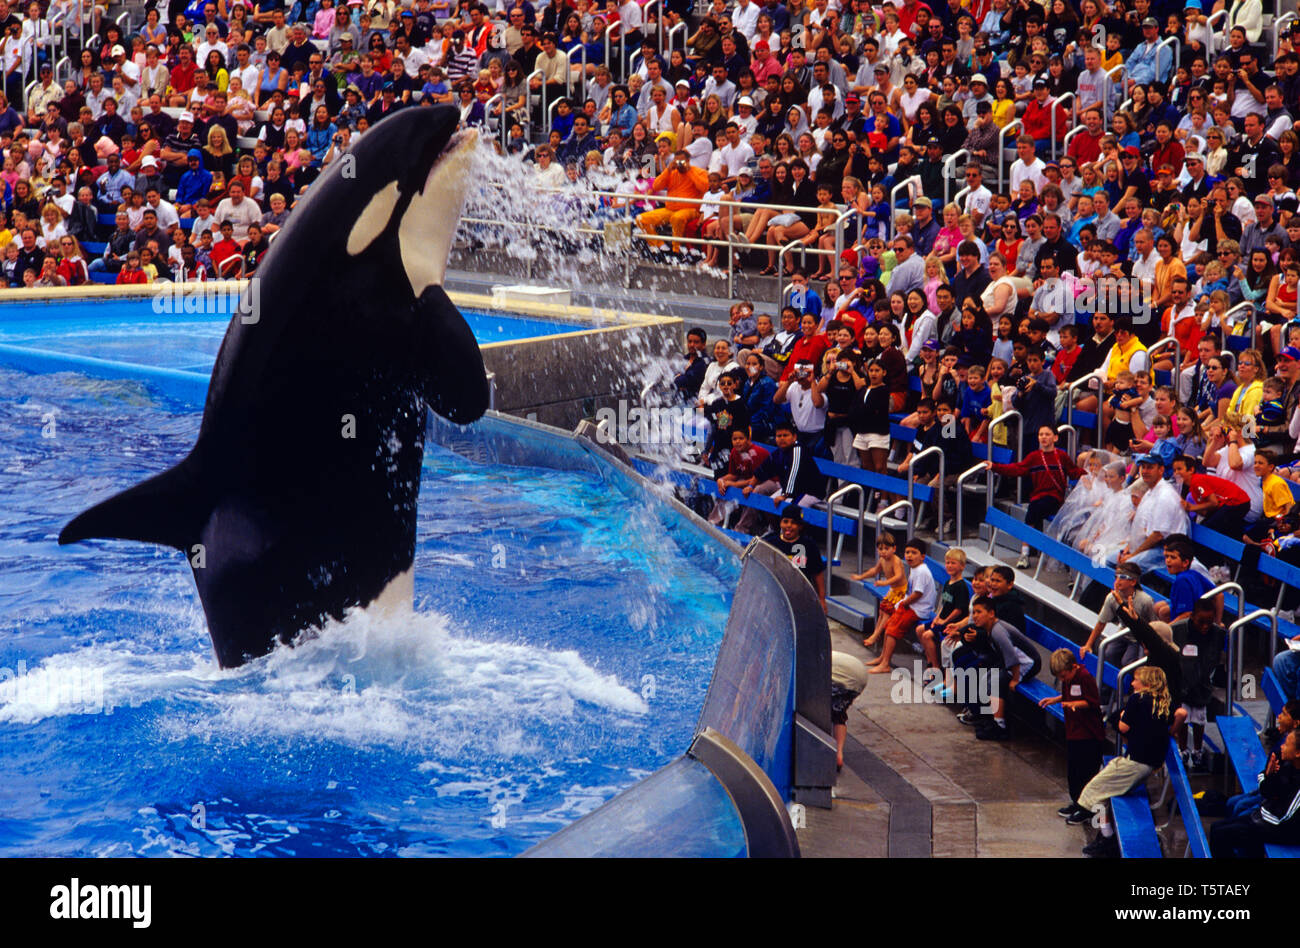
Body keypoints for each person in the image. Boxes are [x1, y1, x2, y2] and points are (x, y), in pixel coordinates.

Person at [1077, 666, 1184, 857]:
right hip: (1147, 764)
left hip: (1134, 764)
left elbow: (1123, 727)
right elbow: (1182, 714)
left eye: (1136, 680)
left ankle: (1107, 838)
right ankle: (1106, 834)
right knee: (1104, 787)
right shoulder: (1165, 700)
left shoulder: (1137, 699)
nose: (1133, 683)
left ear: (1147, 683)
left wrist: (1122, 716)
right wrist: (1171, 731)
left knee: (1092, 793)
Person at [986, 425, 1084, 568]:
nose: (1043, 437)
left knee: (1036, 509)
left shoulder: (1062, 456)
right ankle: (1025, 554)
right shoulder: (1034, 457)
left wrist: (1092, 473)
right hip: (1038, 498)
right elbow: (1017, 469)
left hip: (1055, 498)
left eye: (1047, 434)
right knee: (1035, 507)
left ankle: (1026, 552)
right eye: (1040, 434)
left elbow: (1074, 472)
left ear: (1055, 438)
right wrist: (995, 466)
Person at [1038, 649, 1105, 825]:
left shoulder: (1085, 677)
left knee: (1085, 772)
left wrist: (1075, 704)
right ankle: (1077, 802)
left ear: (1073, 667)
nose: (1062, 680)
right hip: (1074, 731)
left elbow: (1092, 702)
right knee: (1073, 771)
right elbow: (1069, 695)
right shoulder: (1069, 679)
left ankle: (1087, 808)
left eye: (1063, 676)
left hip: (1088, 733)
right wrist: (1055, 700)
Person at [1210, 729, 1300, 857]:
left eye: (1286, 744)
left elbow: (1285, 819)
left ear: (1297, 753)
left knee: (1220, 835)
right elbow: (1267, 792)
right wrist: (1269, 774)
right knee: (1215, 827)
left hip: (1283, 830)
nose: (1282, 746)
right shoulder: (1287, 765)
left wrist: (1258, 818)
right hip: (1268, 819)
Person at [1171, 598, 1228, 772]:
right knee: (1183, 718)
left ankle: (1197, 751)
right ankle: (1183, 750)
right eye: (1200, 622)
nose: (1205, 626)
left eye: (1209, 622)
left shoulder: (1217, 634)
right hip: (1182, 684)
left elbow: (1216, 658)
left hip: (1202, 685)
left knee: (1199, 719)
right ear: (1192, 617)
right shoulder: (1178, 630)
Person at [867, 537, 938, 675]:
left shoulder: (921, 571)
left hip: (918, 609)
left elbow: (917, 593)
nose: (909, 555)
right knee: (889, 624)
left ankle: (885, 664)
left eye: (914, 553)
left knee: (892, 630)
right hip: (912, 606)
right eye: (907, 552)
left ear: (922, 557)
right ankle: (882, 658)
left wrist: (904, 603)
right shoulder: (915, 569)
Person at [761, 505, 826, 612]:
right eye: (785, 521)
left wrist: (822, 599)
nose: (789, 526)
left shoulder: (809, 545)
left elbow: (817, 573)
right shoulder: (770, 543)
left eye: (794, 523)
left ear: (800, 526)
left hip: (801, 596)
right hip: (775, 594)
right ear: (780, 523)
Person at [830, 650, 870, 773]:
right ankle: (839, 753)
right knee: (838, 712)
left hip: (846, 676)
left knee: (821, 706)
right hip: (859, 673)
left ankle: (829, 751)